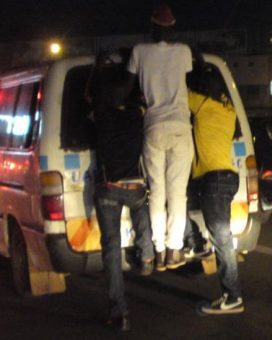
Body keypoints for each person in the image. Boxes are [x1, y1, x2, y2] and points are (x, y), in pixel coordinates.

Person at [88, 52, 154, 332]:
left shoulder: (100, 115)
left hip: (109, 189)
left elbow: (89, 97)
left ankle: (120, 312)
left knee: (111, 249)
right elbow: (139, 97)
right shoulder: (137, 117)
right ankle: (147, 253)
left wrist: (97, 70)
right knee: (142, 207)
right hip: (135, 187)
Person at [125, 5, 194, 271]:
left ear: (152, 27)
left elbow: (129, 87)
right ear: (172, 27)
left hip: (152, 126)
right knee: (178, 193)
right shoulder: (183, 51)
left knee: (157, 192)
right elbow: (190, 75)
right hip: (180, 126)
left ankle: (158, 249)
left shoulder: (139, 52)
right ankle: (174, 251)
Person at [188, 67, 244, 314]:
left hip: (215, 180)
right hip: (228, 178)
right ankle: (196, 244)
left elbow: (177, 93)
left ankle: (232, 297)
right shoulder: (228, 110)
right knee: (224, 239)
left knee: (222, 241)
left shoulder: (202, 105)